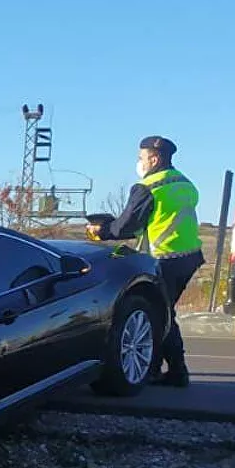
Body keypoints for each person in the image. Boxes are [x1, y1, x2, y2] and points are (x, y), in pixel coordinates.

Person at [88, 134, 203, 387]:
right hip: (190, 255)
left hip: (163, 257)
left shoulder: (148, 187)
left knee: (162, 314)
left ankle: (175, 372)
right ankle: (164, 370)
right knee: (164, 311)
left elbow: (127, 225)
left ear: (153, 158)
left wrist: (102, 230)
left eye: (141, 157)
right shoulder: (184, 183)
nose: (138, 163)